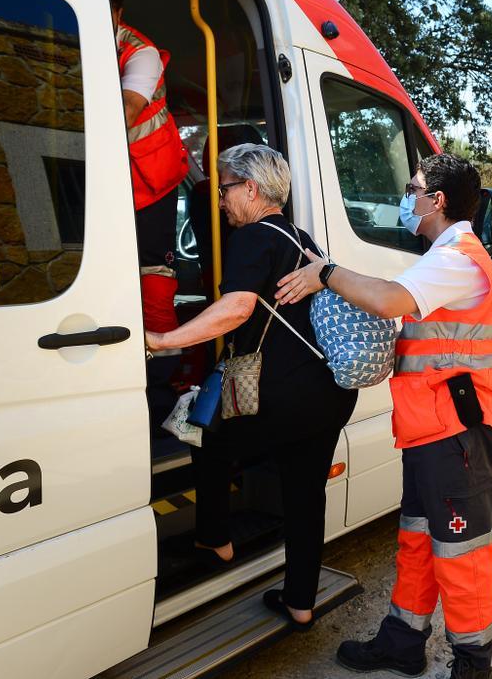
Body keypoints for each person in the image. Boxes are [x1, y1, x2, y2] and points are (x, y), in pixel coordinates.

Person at [276, 153, 492, 679]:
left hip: (457, 433)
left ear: (437, 201)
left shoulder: (458, 259)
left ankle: (474, 664)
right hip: (433, 428)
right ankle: (403, 642)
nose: (407, 198)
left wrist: (326, 274)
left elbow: (387, 300)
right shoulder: (445, 256)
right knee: (418, 541)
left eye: (413, 189)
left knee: (461, 552)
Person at [144, 144, 357, 628]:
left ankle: (215, 539)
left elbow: (237, 309)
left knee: (202, 431)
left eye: (224, 190)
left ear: (251, 188)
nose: (220, 200)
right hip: (329, 392)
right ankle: (300, 602)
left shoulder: (253, 237)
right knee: (306, 496)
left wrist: (164, 340)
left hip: (284, 397)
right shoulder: (301, 238)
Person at [107, 0, 190, 430]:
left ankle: (162, 386)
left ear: (118, 12)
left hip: (151, 184)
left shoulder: (140, 53)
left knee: (153, 278)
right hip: (112, 182)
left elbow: (126, 110)